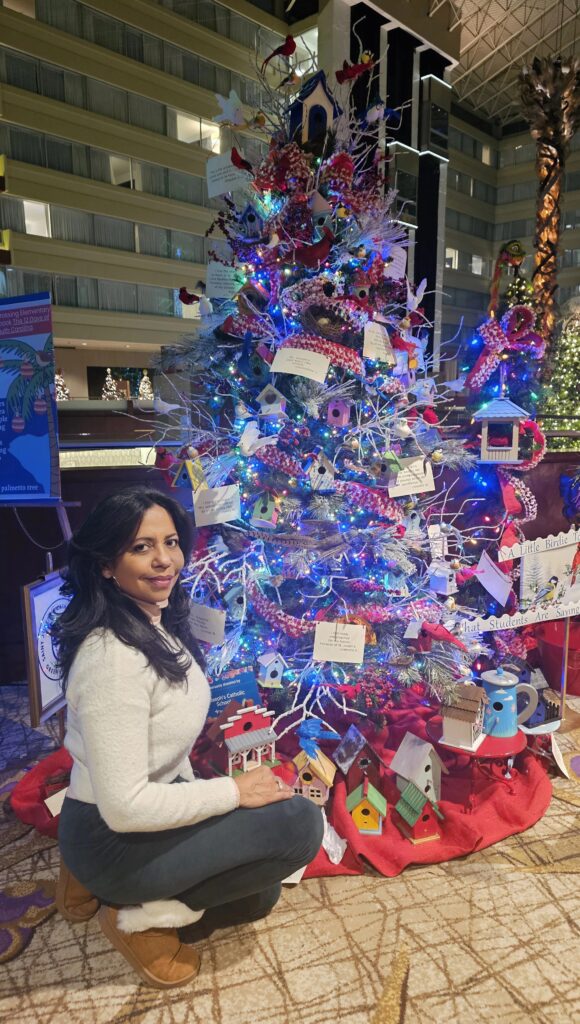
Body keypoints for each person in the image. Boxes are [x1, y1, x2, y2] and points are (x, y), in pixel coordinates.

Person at [53, 487, 323, 989]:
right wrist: (233, 793)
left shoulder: (152, 616)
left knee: (259, 895)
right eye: (141, 547)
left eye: (171, 542)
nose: (164, 560)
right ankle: (140, 918)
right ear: (107, 565)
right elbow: (126, 808)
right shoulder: (112, 660)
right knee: (301, 826)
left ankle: (103, 884)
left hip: (149, 805)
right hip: (112, 836)